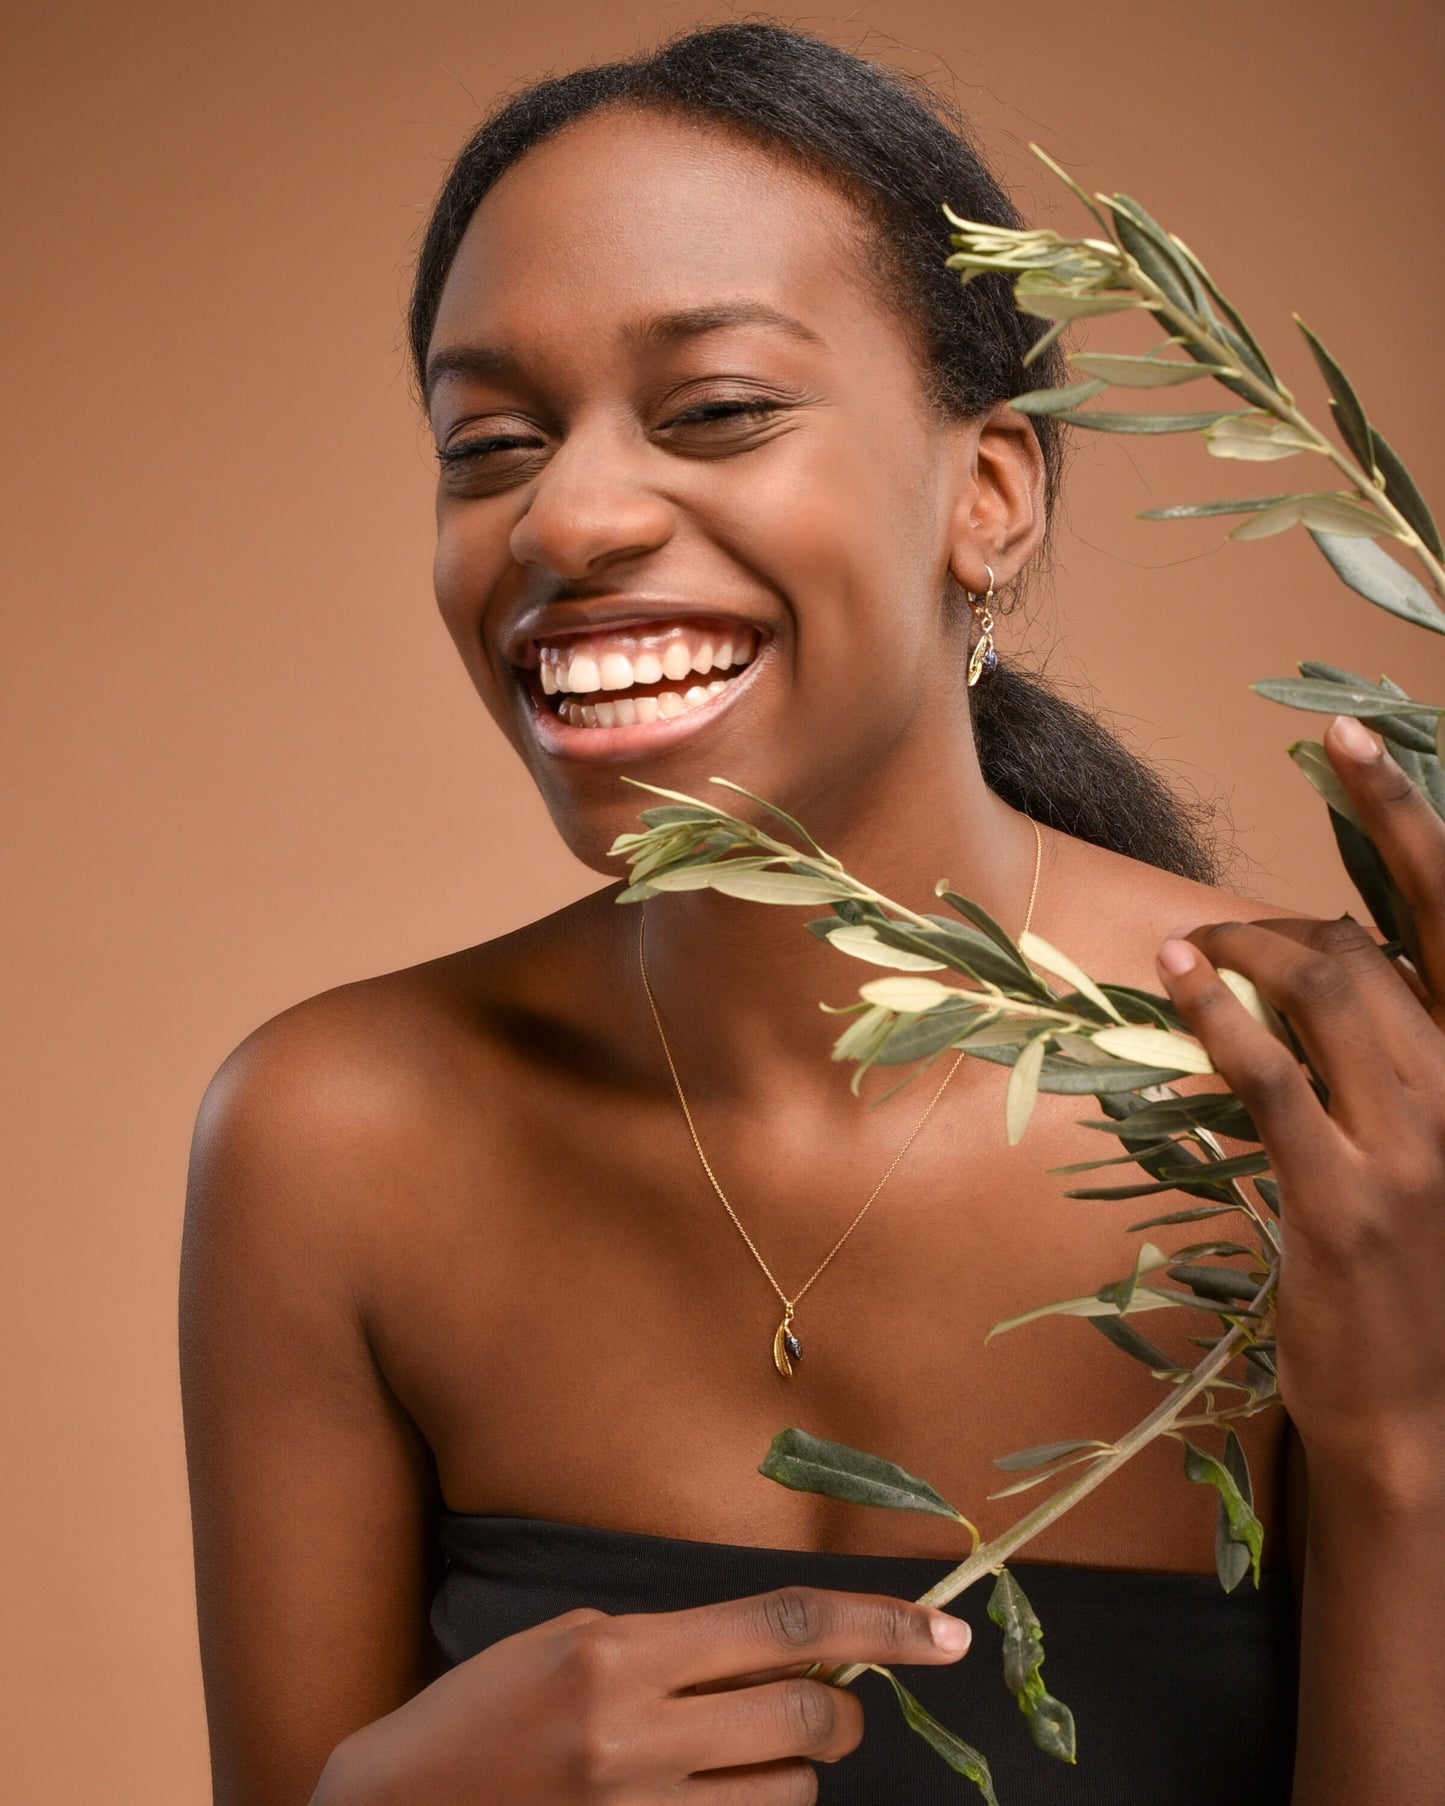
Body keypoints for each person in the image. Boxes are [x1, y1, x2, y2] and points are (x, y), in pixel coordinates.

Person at [179, 22, 1445, 1806]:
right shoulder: (330, 1143)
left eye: (714, 411)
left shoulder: (1315, 1113)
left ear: (987, 492)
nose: (570, 513)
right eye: (487, 443)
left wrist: (1407, 1445)